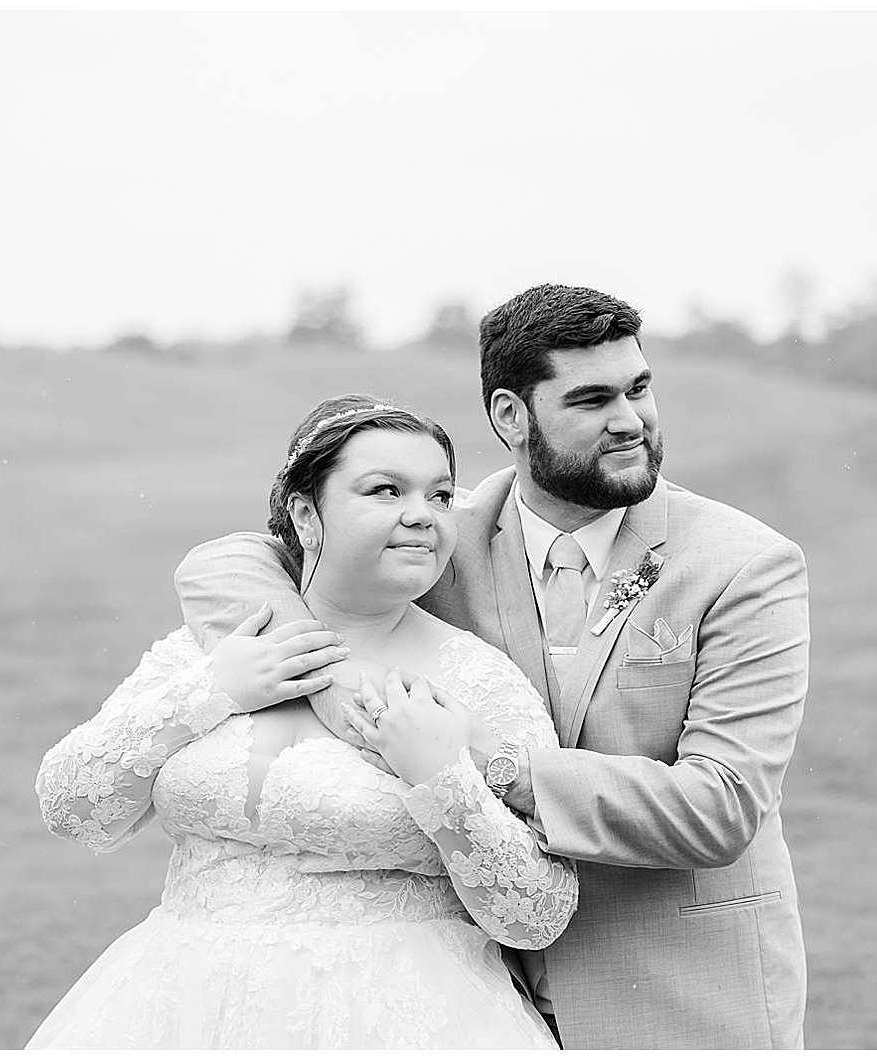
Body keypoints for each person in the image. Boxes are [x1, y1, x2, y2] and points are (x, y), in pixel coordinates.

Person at [175, 284, 810, 1049]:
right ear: (511, 415)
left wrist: (489, 762)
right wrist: (337, 681)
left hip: (680, 990)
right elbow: (233, 561)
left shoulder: (746, 565)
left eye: (640, 389)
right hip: (475, 993)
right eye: (592, 399)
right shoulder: (440, 536)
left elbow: (723, 806)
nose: (629, 421)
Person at [27, 396, 576, 1049]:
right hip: (183, 1009)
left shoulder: (479, 680)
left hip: (401, 1016)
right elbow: (73, 808)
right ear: (305, 514)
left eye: (439, 495)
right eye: (385, 491)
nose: (420, 516)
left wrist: (443, 778)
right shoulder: (218, 644)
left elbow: (539, 912)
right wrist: (213, 689)